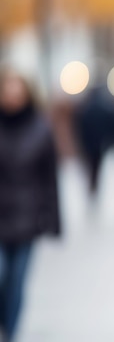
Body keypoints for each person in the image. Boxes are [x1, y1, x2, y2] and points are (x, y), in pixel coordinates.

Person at [0, 66, 61, 342]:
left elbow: (50, 178)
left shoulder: (40, 127)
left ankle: (10, 332)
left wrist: (54, 220)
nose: (12, 94)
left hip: (26, 217)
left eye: (17, 88)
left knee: (16, 282)